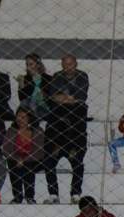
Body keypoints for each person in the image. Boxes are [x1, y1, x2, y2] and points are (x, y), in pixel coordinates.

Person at [44, 54, 89, 204]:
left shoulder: (83, 76)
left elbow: (81, 97)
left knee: (78, 162)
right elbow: (52, 96)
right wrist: (69, 98)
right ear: (62, 65)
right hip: (57, 131)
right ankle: (53, 194)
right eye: (65, 64)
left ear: (76, 63)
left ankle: (75, 193)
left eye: (70, 64)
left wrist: (63, 98)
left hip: (76, 128)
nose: (68, 67)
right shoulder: (57, 76)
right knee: (49, 160)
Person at [2, 106, 45, 204]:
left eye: (23, 117)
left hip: (34, 160)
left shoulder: (38, 130)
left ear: (29, 118)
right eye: (18, 116)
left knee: (28, 166)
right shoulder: (11, 130)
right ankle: (17, 197)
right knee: (11, 163)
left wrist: (24, 159)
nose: (20, 119)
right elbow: (6, 149)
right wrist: (17, 158)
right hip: (16, 160)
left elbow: (39, 151)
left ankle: (30, 197)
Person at [16, 53, 51, 120]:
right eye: (27, 64)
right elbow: (22, 98)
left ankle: (31, 121)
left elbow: (49, 97)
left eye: (31, 64)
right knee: (26, 102)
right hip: (28, 108)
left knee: (33, 101)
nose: (28, 67)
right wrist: (21, 84)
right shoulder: (24, 78)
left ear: (38, 65)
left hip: (43, 107)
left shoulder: (48, 78)